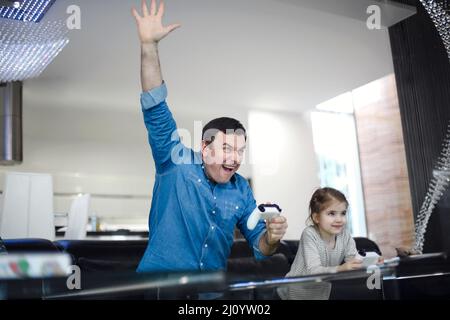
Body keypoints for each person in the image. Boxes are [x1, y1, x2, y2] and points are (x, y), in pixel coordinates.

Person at [131, 0, 288, 276]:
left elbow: (260, 248)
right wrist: (149, 46)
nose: (235, 159)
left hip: (211, 294)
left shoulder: (241, 190)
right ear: (204, 147)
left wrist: (272, 239)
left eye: (240, 151)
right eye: (227, 148)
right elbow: (155, 107)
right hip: (161, 288)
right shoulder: (175, 163)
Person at [277, 187, 365, 300]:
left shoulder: (345, 235)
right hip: (293, 293)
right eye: (332, 213)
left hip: (320, 293)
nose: (339, 219)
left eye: (343, 213)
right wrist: (341, 268)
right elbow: (313, 271)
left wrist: (370, 262)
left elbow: (353, 261)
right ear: (316, 217)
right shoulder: (310, 234)